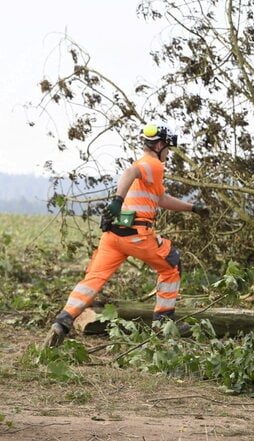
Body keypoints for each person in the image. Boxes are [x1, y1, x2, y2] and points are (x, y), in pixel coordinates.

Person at [44, 123, 210, 348]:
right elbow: (131, 171)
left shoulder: (150, 173)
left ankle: (63, 321)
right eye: (168, 148)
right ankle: (163, 322)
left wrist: (193, 208)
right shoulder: (152, 164)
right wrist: (117, 200)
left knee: (92, 279)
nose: (169, 154)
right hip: (137, 236)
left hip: (114, 235)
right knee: (171, 262)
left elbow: (161, 199)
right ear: (159, 145)